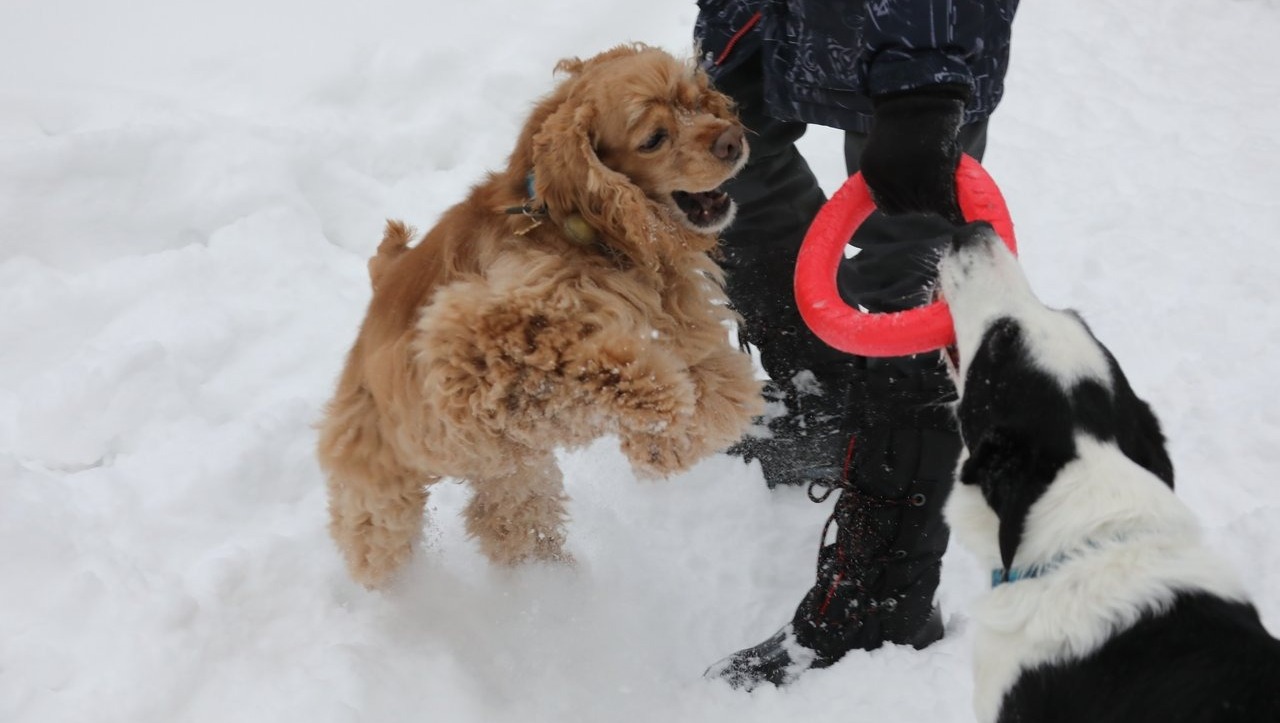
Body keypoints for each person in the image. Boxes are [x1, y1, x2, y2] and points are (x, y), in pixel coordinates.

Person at [694, 0, 1020, 689]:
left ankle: (883, 602)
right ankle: (831, 399)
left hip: (921, 31)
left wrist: (929, 76)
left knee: (906, 276)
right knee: (724, 166)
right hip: (763, 16)